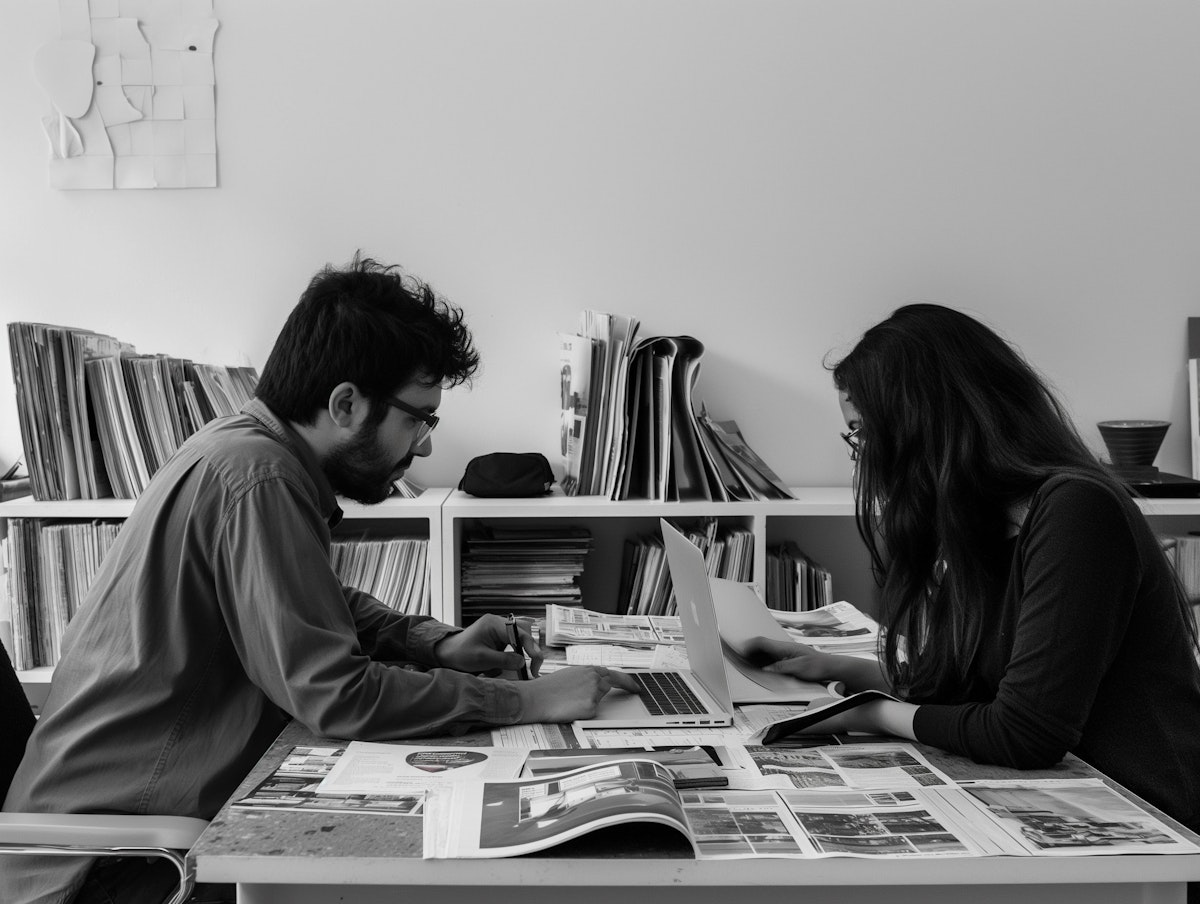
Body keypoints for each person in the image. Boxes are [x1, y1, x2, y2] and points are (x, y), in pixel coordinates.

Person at [1, 253, 639, 904]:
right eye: (418, 419)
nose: (423, 445)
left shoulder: (241, 449)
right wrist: (526, 702)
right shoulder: (258, 479)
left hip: (118, 836)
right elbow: (338, 697)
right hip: (114, 864)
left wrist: (436, 643)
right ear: (345, 404)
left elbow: (306, 600)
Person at [750, 303, 1200, 836]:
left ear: (922, 423)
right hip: (1067, 795)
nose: (860, 455)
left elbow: (1023, 732)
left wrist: (874, 712)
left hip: (1149, 818)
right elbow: (973, 683)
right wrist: (841, 669)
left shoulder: (1076, 510)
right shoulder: (984, 521)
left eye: (863, 432)